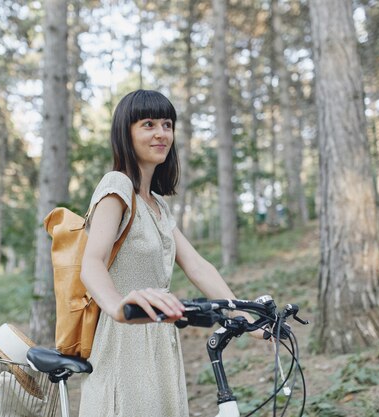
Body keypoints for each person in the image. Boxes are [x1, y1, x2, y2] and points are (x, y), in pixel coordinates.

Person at [78, 90, 258, 417]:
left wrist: (242, 314)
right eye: (148, 124)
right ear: (126, 132)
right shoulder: (116, 186)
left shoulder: (157, 203)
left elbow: (196, 264)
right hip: (125, 335)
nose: (161, 133)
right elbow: (90, 264)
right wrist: (119, 306)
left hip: (161, 334)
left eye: (167, 124)